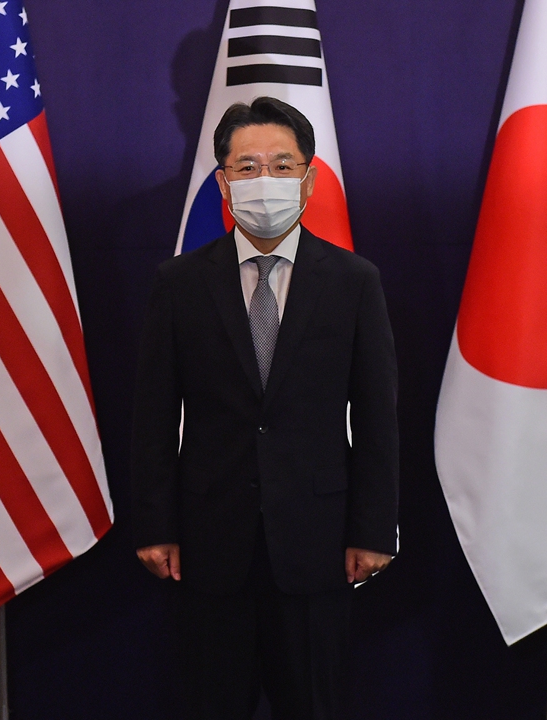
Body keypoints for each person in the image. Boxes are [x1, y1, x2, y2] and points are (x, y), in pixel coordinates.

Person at [131, 96, 398, 719]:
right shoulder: (179, 284)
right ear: (223, 182)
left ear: (307, 179)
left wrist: (372, 528)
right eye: (246, 167)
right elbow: (152, 417)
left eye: (282, 164)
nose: (265, 181)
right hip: (207, 542)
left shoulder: (355, 282)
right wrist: (155, 525)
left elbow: (378, 419)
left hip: (319, 544)